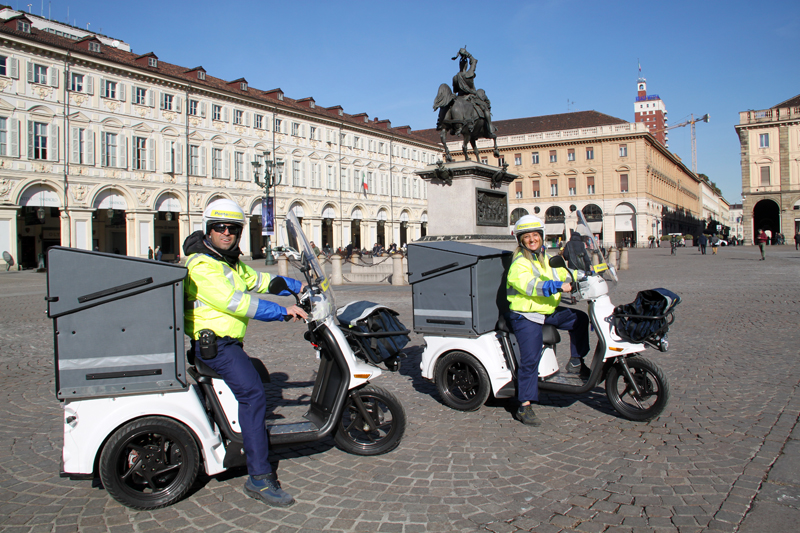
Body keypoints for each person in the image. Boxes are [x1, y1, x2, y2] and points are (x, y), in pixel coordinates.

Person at [183, 199, 308, 507]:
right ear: (208, 230)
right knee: (253, 395)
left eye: (233, 229)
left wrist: (299, 286)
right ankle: (259, 478)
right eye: (219, 228)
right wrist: (282, 312)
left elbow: (260, 280)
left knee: (257, 377)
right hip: (215, 346)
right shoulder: (201, 265)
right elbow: (236, 302)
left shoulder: (228, 262)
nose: (226, 233)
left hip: (226, 344)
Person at [505, 215, 590, 426]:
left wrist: (584, 275)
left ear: (541, 236)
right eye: (527, 237)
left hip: (546, 310)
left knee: (579, 318)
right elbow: (530, 285)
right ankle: (524, 405)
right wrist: (559, 287)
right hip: (526, 315)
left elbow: (563, 273)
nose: (532, 239)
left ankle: (576, 362)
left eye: (535, 235)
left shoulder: (546, 257)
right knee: (530, 358)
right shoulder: (520, 263)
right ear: (521, 240)